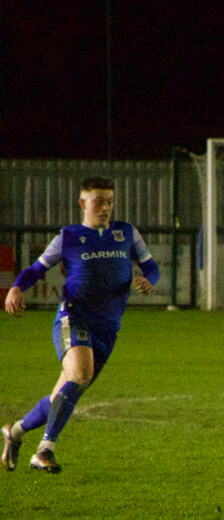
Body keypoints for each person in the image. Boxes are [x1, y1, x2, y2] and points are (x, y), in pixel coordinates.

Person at [2, 177, 160, 474]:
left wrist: (148, 280)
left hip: (108, 329)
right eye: (99, 201)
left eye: (110, 201)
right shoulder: (69, 236)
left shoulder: (126, 233)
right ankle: (45, 450)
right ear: (82, 203)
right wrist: (16, 288)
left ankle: (15, 433)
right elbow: (37, 269)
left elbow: (151, 267)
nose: (106, 208)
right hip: (73, 317)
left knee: (64, 394)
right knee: (80, 375)